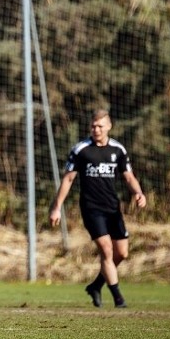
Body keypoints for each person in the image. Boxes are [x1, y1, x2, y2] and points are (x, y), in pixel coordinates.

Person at [49, 109, 147, 308]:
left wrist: (138, 193)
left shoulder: (118, 150)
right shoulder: (81, 150)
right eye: (93, 126)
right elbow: (68, 179)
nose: (96, 130)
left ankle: (95, 286)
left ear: (109, 127)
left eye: (100, 126)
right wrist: (56, 207)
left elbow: (129, 176)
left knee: (122, 253)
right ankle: (119, 299)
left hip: (112, 208)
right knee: (107, 250)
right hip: (91, 208)